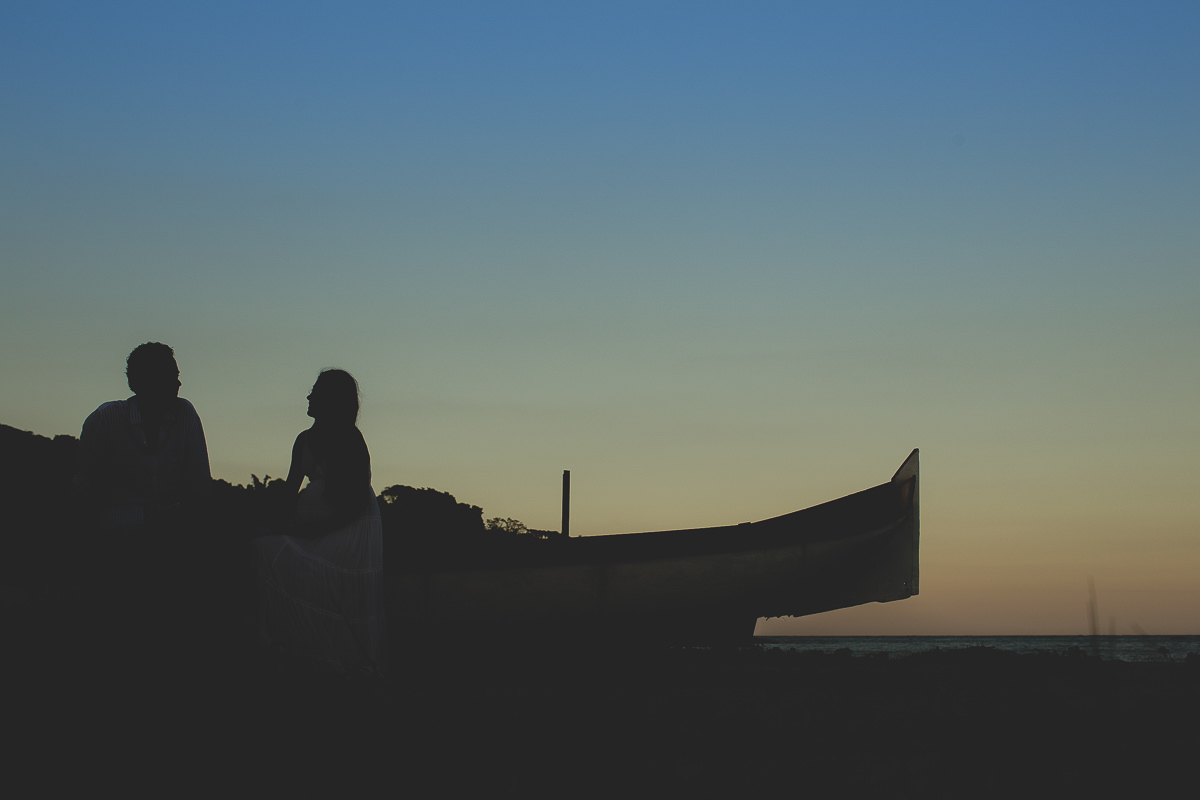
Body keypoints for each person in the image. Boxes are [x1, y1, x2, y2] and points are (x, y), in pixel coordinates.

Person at [72, 342, 212, 659]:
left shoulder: (185, 414)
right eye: (172, 376)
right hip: (121, 528)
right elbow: (86, 486)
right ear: (145, 382)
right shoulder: (106, 420)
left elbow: (199, 487)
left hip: (171, 525)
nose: (179, 383)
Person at [251, 369, 386, 675]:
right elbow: (289, 490)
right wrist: (279, 525)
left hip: (350, 529)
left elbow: (354, 503)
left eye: (315, 392)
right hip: (312, 527)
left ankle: (332, 657)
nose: (309, 397)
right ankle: (294, 649)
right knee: (265, 551)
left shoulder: (350, 440)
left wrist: (317, 529)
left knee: (307, 570)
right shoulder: (303, 440)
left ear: (331, 400)